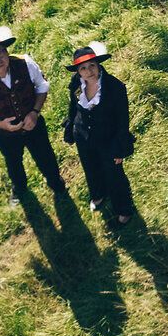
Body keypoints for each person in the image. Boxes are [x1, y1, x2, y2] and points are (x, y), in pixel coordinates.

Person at [0, 26, 68, 206]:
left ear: (6, 51)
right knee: (13, 162)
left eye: (0, 54)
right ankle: (19, 188)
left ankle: (57, 185)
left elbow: (42, 86)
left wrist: (35, 113)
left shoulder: (25, 63)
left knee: (46, 156)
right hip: (6, 133)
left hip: (34, 124)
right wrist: (0, 124)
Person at [62, 41, 137, 225]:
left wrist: (120, 148)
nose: (88, 71)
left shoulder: (115, 87)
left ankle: (124, 209)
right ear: (78, 71)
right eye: (83, 68)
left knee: (114, 175)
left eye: (92, 66)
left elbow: (122, 120)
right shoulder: (76, 84)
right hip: (83, 136)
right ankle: (98, 195)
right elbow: (74, 106)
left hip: (108, 139)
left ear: (99, 65)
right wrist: (71, 126)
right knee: (91, 168)